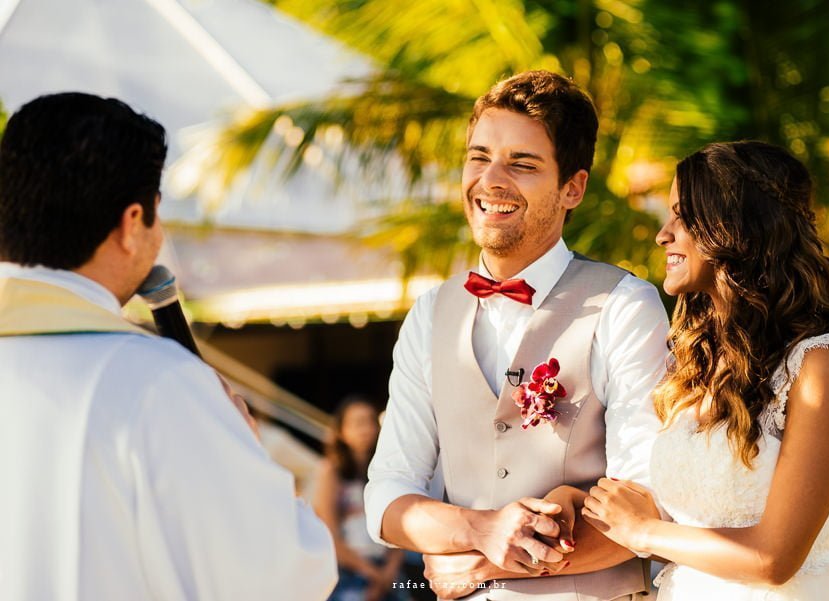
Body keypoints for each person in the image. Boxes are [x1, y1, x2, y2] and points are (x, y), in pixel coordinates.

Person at [0, 93, 337, 600]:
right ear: (133, 224)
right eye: (158, 215)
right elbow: (282, 578)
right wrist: (247, 451)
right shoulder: (157, 382)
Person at [364, 70, 670, 600]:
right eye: (479, 156)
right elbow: (388, 496)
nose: (490, 180)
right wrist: (478, 529)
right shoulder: (431, 313)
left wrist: (480, 565)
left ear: (572, 188)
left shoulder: (624, 304)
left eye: (522, 164)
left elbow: (646, 504)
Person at [581, 141, 829, 600]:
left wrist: (643, 531)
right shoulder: (691, 367)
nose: (663, 234)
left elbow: (774, 560)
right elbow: (688, 524)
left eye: (681, 215)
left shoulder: (820, 363)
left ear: (733, 227)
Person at [315, 396, 409, 601]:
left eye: (369, 421)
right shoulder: (331, 471)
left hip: (388, 570)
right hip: (349, 571)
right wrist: (373, 574)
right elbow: (329, 535)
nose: (365, 429)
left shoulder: (389, 469)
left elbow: (405, 525)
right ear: (341, 431)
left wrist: (388, 572)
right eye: (357, 423)